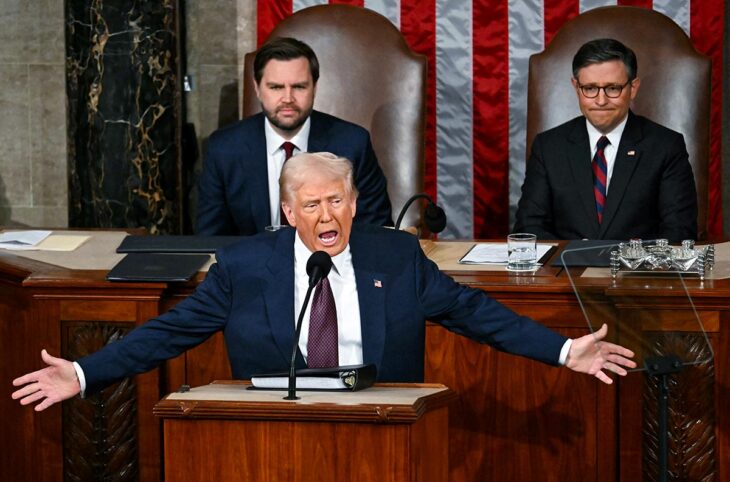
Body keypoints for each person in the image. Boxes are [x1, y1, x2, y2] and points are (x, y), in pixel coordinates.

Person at [12, 152, 635, 411]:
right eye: (310, 206)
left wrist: (564, 350)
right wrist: (85, 371)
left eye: (336, 201)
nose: (326, 216)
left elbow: (478, 313)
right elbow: (169, 333)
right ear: (289, 213)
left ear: (353, 204)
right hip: (273, 433)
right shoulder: (246, 266)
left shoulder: (395, 258)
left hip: (383, 422)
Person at [195, 37, 393, 235]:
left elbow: (376, 231)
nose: (288, 99)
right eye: (275, 87)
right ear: (257, 88)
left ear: (314, 88)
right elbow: (210, 239)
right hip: (251, 264)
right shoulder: (223, 148)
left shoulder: (353, 144)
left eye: (299, 87)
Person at [514, 38, 697, 242]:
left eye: (612, 88)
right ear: (576, 87)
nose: (601, 101)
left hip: (637, 272)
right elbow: (529, 227)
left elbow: (679, 232)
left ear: (633, 87)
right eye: (590, 88)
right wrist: (576, 256)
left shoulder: (666, 146)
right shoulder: (548, 147)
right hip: (566, 270)